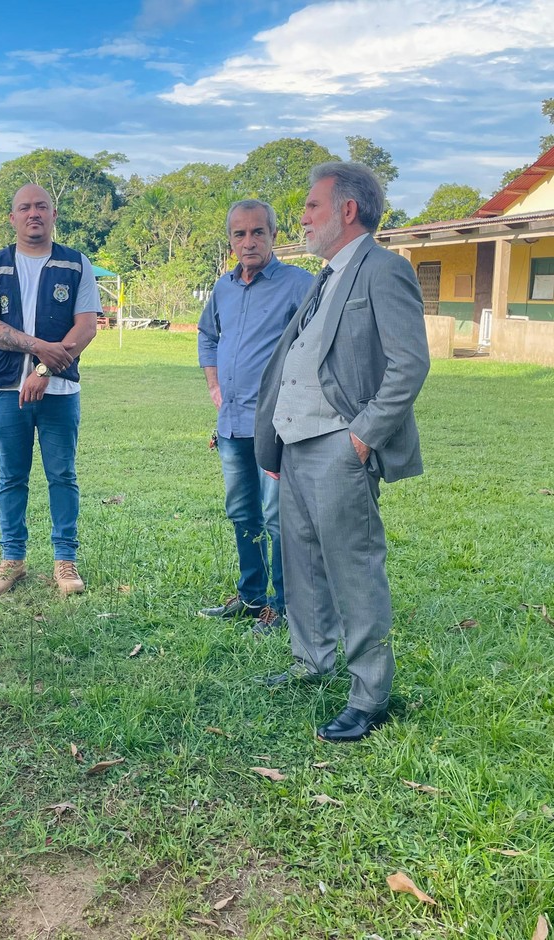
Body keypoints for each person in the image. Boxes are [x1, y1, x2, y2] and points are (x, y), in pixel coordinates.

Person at [254, 162, 430, 743]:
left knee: (352, 566)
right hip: (297, 442)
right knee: (301, 560)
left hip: (339, 443)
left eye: (310, 207)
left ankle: (370, 693)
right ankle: (312, 659)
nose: (301, 218)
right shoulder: (325, 276)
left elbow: (410, 364)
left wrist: (362, 435)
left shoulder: (384, 270)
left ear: (346, 210)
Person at [0, 184, 100, 597]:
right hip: (6, 390)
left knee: (62, 474)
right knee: (12, 476)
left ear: (53, 213)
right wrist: (38, 346)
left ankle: (65, 560)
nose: (33, 214)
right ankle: (12, 559)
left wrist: (44, 366)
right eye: (24, 207)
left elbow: (86, 326)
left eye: (41, 206)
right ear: (12, 217)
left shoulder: (76, 265)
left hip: (59, 391)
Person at [196, 199, 313, 633]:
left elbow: (317, 347)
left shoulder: (300, 285)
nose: (249, 242)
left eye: (258, 232)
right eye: (240, 234)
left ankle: (283, 606)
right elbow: (208, 336)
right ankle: (250, 597)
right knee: (241, 511)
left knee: (276, 517)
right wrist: (213, 385)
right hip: (230, 424)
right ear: (230, 240)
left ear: (274, 236)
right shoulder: (223, 288)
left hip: (277, 428)